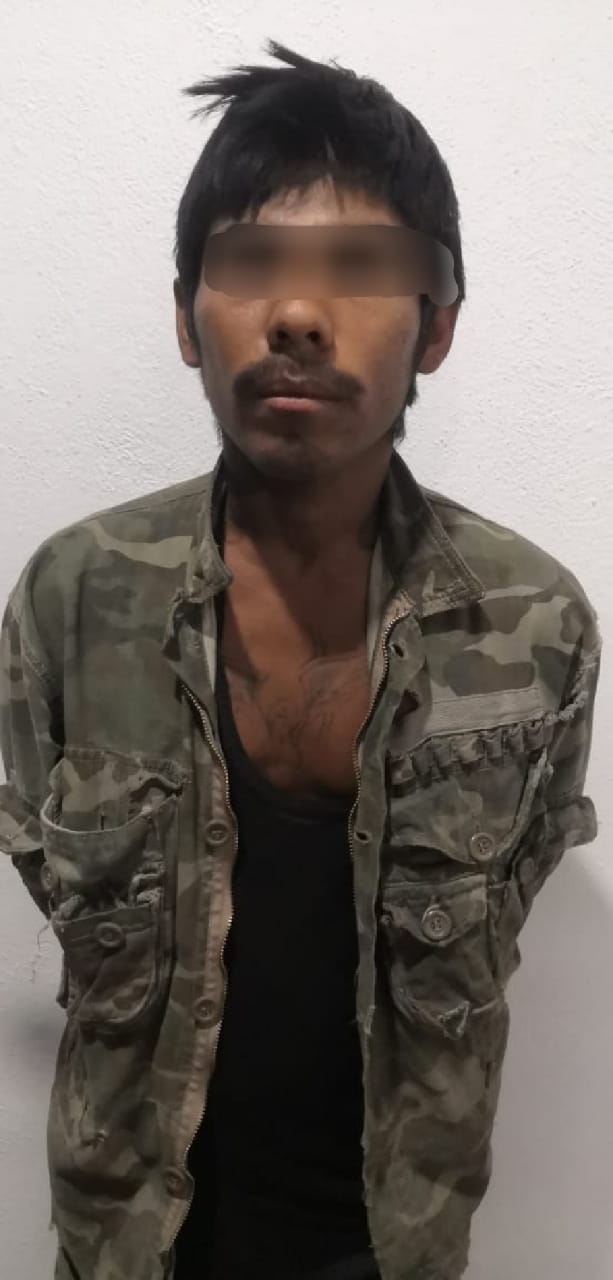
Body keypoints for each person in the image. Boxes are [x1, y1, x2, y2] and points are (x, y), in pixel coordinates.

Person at [0, 38, 602, 1280]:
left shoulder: (533, 625)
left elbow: (510, 899)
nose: (295, 312)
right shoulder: (73, 598)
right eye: (248, 263)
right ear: (186, 318)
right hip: (129, 1250)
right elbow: (50, 874)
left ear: (436, 326)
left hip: (392, 1250)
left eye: (362, 268)